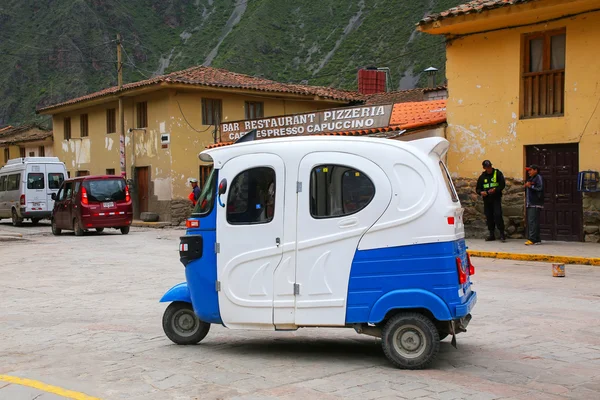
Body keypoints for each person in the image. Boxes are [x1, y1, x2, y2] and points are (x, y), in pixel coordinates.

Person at [476, 160, 506, 242]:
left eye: (489, 167)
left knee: (498, 215)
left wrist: (495, 190)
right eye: (487, 167)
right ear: (484, 168)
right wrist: (481, 192)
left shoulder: (497, 173)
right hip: (487, 199)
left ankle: (502, 234)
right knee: (489, 216)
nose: (489, 169)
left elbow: (502, 184)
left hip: (496, 198)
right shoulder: (482, 177)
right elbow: (478, 189)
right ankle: (491, 234)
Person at [524, 165, 544, 245]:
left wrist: (530, 186)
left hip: (535, 203)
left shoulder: (538, 178)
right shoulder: (531, 178)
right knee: (534, 222)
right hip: (530, 203)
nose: (529, 172)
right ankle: (537, 239)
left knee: (532, 222)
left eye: (530, 170)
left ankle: (532, 239)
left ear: (536, 170)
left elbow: (540, 188)